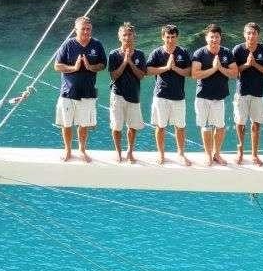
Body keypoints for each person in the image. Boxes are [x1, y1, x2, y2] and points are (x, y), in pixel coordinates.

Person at [52, 15, 107, 162]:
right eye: (83, 29)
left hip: (87, 92)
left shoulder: (97, 44)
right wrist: (74, 67)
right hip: (68, 92)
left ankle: (82, 150)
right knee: (66, 123)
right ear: (76, 29)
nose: (86, 31)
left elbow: (103, 64)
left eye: (88, 29)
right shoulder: (68, 45)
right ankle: (68, 150)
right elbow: (57, 66)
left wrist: (90, 67)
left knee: (84, 124)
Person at [146, 24, 193, 166]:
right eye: (167, 37)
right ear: (163, 37)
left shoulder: (183, 52)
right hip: (161, 95)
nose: (170, 40)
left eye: (173, 37)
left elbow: (190, 72)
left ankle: (181, 153)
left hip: (178, 95)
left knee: (180, 126)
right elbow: (148, 71)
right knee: (160, 126)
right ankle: (161, 154)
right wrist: (166, 68)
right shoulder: (156, 53)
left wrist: (175, 68)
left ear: (177, 37)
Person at [191, 24, 238, 166]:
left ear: (220, 38)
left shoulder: (227, 53)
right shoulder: (199, 53)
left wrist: (220, 68)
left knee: (220, 126)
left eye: (217, 37)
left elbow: (235, 73)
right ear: (206, 38)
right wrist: (214, 69)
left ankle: (216, 153)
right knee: (206, 126)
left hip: (219, 96)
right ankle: (207, 154)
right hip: (203, 95)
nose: (214, 39)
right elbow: (195, 74)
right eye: (211, 37)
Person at [231, 22, 263, 165]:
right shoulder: (238, 50)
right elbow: (233, 72)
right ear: (244, 34)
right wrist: (247, 65)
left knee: (256, 123)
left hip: (258, 92)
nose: (251, 36)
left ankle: (254, 154)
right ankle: (240, 151)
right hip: (241, 92)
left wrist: (255, 65)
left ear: (258, 35)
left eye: (254, 33)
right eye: (248, 33)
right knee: (240, 123)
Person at [108, 22, 147, 164]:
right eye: (124, 35)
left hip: (134, 94)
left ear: (134, 36)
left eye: (130, 35)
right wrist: (124, 62)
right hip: (117, 94)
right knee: (116, 126)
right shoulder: (113, 54)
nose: (127, 37)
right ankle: (118, 152)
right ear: (120, 37)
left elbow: (141, 75)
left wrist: (130, 62)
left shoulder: (140, 54)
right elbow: (114, 76)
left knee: (132, 126)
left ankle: (130, 152)